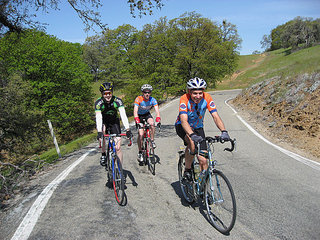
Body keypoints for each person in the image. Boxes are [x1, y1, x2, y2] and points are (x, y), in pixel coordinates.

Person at [175, 77, 231, 182]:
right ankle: (187, 170)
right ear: (189, 92)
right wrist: (191, 135)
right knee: (191, 144)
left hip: (198, 128)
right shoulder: (184, 99)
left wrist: (224, 131)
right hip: (183, 126)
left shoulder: (207, 98)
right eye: (195, 93)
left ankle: (203, 187)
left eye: (200, 93)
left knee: (203, 160)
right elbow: (183, 121)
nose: (198, 96)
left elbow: (215, 116)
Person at [95, 82, 132, 166]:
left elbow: (123, 115)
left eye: (109, 93)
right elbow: (98, 117)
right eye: (105, 94)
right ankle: (104, 154)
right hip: (104, 121)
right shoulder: (98, 103)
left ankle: (120, 170)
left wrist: (127, 129)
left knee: (118, 147)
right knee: (103, 132)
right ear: (102, 94)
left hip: (114, 121)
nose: (107, 95)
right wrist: (99, 131)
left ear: (112, 93)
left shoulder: (117, 101)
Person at [133, 84, 161, 163]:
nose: (147, 94)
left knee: (152, 124)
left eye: (149, 92)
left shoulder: (153, 100)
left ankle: (152, 140)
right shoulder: (138, 99)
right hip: (139, 116)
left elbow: (157, 111)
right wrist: (137, 121)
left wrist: (158, 119)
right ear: (143, 93)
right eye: (145, 92)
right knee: (141, 134)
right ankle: (140, 152)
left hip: (147, 114)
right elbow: (135, 111)